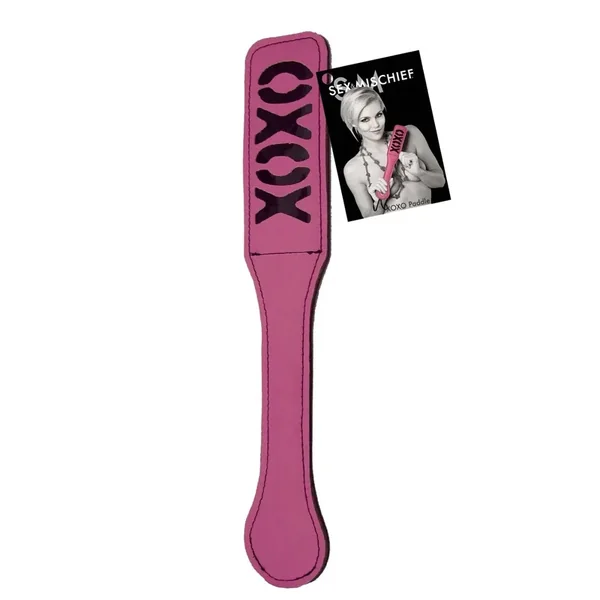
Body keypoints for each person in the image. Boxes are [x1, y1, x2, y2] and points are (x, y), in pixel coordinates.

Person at [341, 87, 446, 218]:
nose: (376, 125)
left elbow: (440, 182)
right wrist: (381, 200)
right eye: (365, 120)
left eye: (379, 115)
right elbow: (368, 217)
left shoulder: (411, 134)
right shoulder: (352, 169)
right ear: (352, 122)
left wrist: (420, 173)